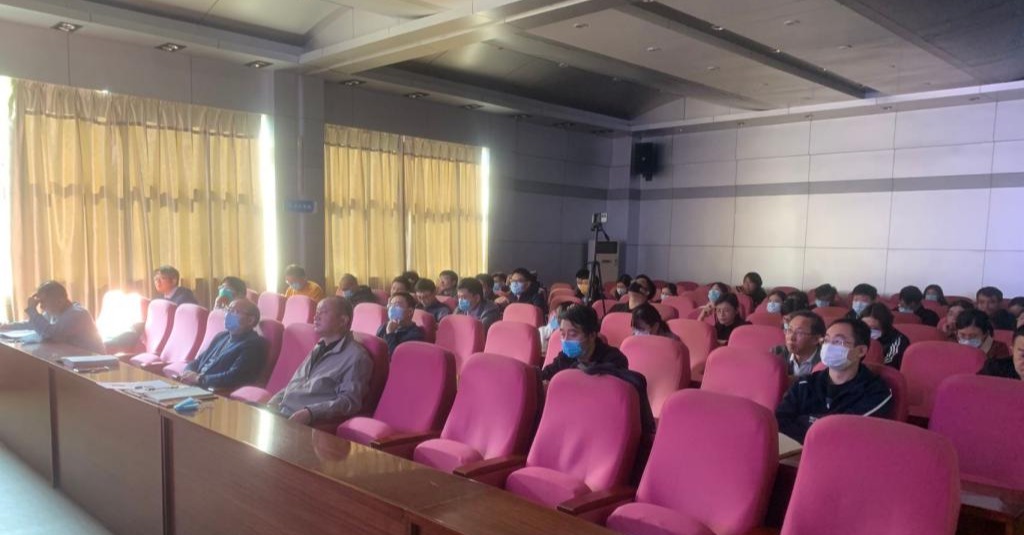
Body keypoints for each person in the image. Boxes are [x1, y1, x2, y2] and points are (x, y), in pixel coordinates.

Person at [775, 318, 894, 444]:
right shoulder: (806, 383)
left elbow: (847, 432)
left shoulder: (876, 392)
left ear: (860, 351)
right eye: (826, 340)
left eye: (838, 342)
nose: (829, 347)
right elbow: (780, 420)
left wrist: (804, 421)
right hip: (795, 451)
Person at [267, 297, 373, 426]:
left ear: (343, 321)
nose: (316, 317)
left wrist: (310, 412)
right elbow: (298, 383)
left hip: (306, 422)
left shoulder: (356, 357)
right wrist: (274, 400)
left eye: (323, 312)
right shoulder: (319, 346)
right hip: (282, 412)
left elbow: (349, 401)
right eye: (317, 312)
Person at [176, 299, 267, 389]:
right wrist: (188, 372)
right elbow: (199, 360)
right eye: (228, 310)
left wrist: (199, 379)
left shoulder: (253, 345)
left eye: (234, 311)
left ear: (250, 320)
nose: (228, 314)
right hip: (194, 385)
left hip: (212, 390)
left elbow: (234, 377)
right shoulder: (221, 336)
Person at [0, 281, 103, 353]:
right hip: (74, 359)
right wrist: (6, 326)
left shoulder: (77, 314)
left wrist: (32, 310)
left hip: (94, 364)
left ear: (60, 301)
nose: (41, 307)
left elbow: (50, 334)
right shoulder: (55, 311)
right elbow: (32, 324)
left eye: (43, 302)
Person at [540, 304, 628, 381]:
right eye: (563, 334)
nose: (566, 340)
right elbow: (544, 376)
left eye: (572, 334)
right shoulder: (565, 357)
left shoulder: (614, 359)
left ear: (592, 335)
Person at [772, 311, 825, 379]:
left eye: (799, 333)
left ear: (816, 339)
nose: (791, 337)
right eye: (789, 330)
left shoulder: (826, 362)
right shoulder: (777, 353)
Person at [859, 303, 910, 369]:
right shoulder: (857, 334)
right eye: (865, 327)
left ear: (885, 328)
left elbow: (887, 365)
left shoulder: (899, 340)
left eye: (874, 329)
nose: (868, 332)